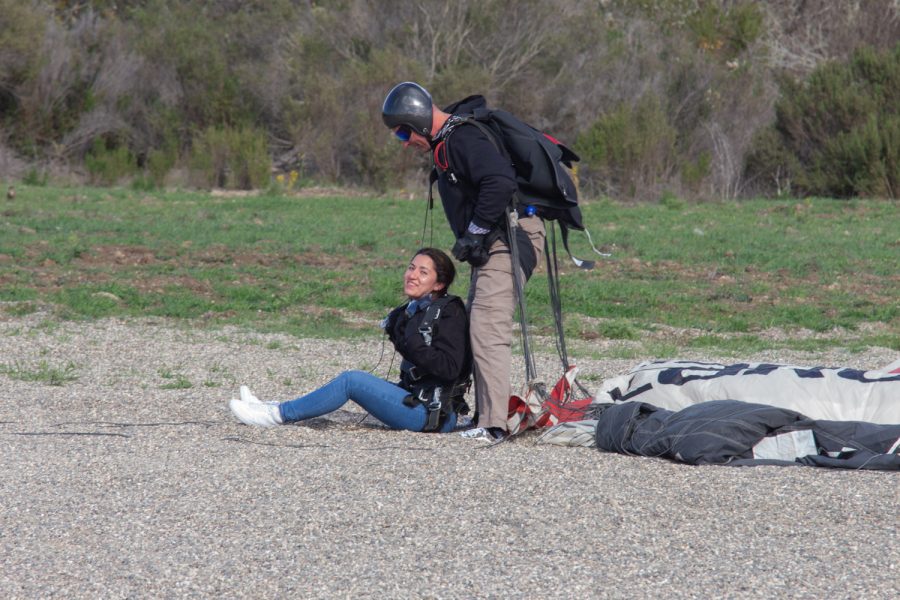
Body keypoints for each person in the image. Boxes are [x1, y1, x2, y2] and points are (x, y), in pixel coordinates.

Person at [382, 82, 545, 442]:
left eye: (404, 133)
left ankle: (493, 425)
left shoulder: (461, 138)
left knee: (487, 328)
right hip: (494, 240)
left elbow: (499, 183)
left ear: (420, 121)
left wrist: (474, 230)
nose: (405, 142)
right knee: (475, 326)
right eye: (398, 137)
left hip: (511, 237)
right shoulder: (448, 142)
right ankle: (482, 416)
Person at [228, 248, 471, 433]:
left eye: (423, 272)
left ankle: (275, 415)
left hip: (432, 414)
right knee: (355, 380)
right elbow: (411, 352)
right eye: (411, 268)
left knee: (351, 380)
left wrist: (411, 336)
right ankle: (271, 406)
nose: (412, 275)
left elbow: (449, 369)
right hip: (415, 397)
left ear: (439, 283)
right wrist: (399, 326)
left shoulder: (450, 313)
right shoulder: (417, 309)